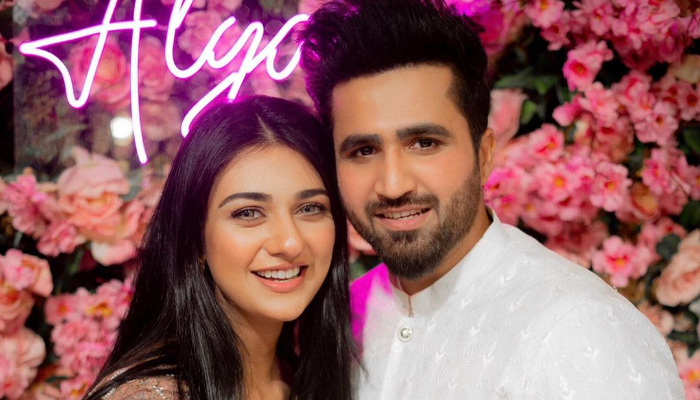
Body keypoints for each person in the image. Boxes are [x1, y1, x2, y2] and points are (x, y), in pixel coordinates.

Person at [298, 0, 686, 398]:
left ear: (484, 155)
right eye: (363, 150)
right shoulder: (341, 317)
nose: (393, 185)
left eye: (424, 143)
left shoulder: (580, 332)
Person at [83, 96, 355, 400]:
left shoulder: (304, 378)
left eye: (310, 208)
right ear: (196, 239)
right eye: (248, 213)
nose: (290, 243)